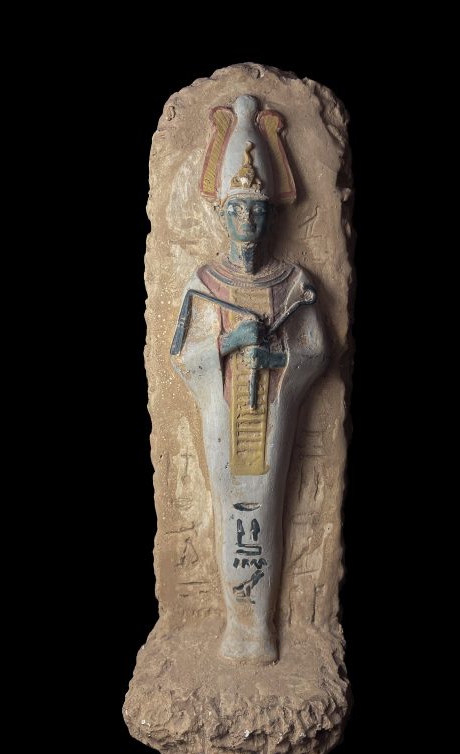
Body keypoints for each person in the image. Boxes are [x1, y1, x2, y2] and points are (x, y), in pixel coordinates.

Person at [171, 95, 327, 663]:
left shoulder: (292, 282)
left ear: (270, 216)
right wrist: (229, 343)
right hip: (223, 413)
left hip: (272, 415)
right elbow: (183, 357)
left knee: (264, 504)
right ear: (222, 213)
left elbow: (315, 350)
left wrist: (277, 358)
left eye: (257, 211)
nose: (247, 221)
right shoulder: (205, 281)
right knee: (230, 506)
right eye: (237, 210)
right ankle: (234, 627)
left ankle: (260, 629)